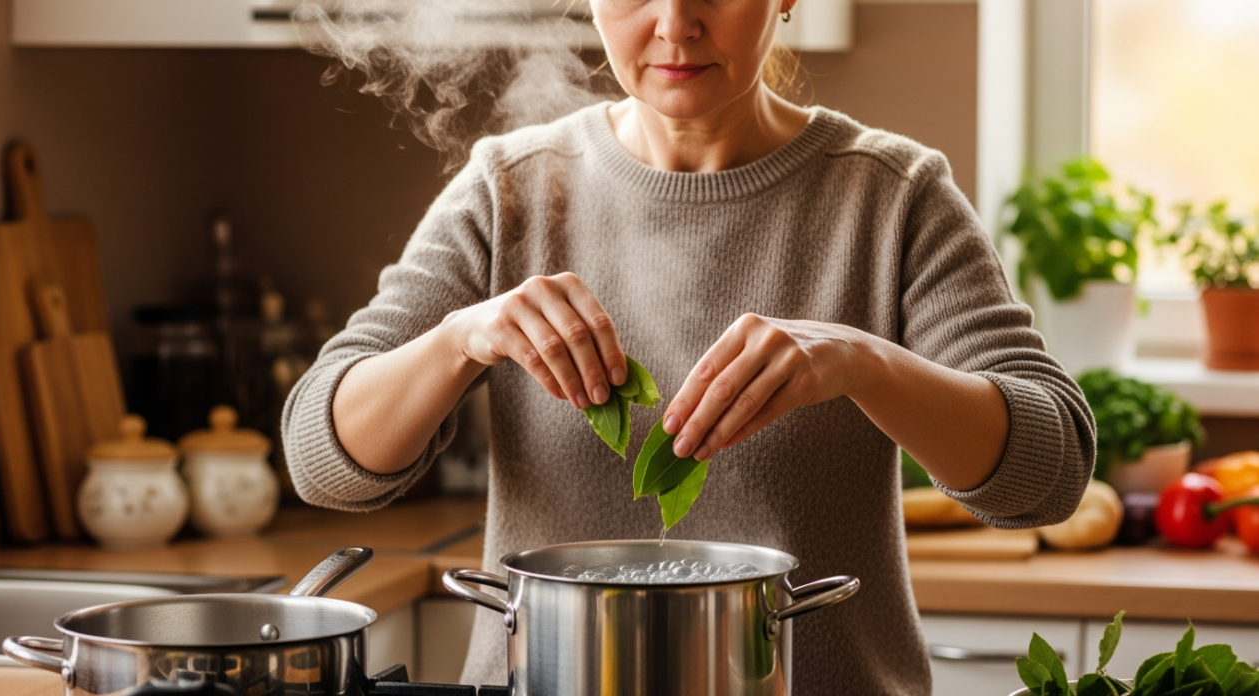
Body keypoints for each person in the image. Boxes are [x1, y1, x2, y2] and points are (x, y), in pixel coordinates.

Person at [282, 0, 1096, 692]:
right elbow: (322, 460)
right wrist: (462, 337)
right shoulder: (508, 189)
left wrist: (863, 362)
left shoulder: (892, 196)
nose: (676, 25)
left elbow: (1049, 475)